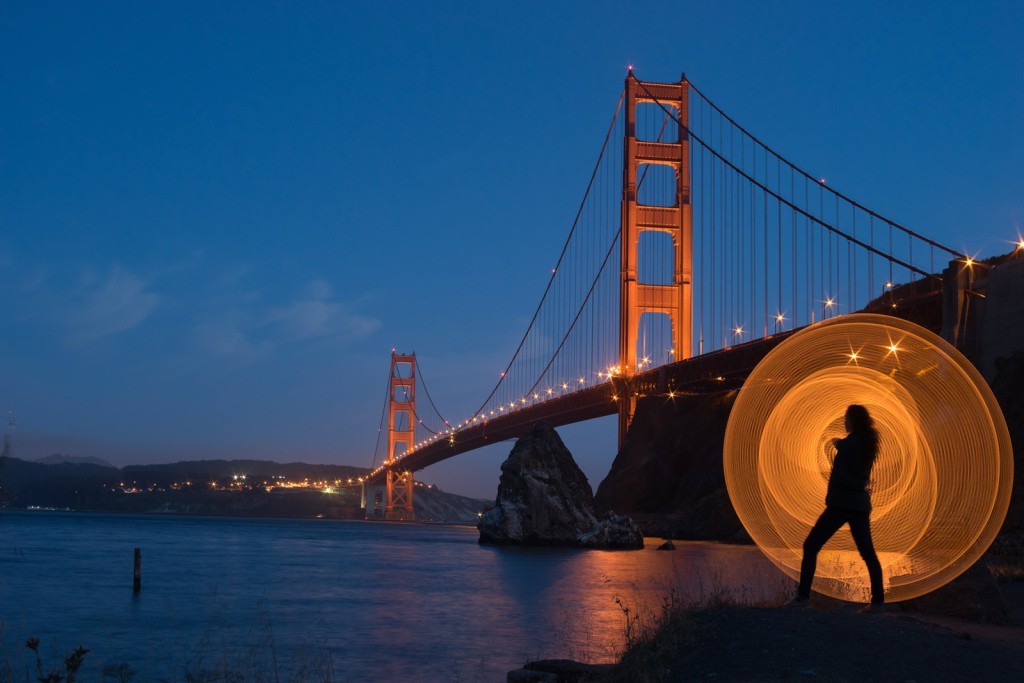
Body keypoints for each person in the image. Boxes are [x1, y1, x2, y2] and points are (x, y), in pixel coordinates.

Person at [792, 404, 885, 611]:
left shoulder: (850, 444)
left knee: (811, 545)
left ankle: (802, 599)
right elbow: (857, 469)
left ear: (853, 420)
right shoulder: (867, 443)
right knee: (868, 554)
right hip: (860, 505)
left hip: (842, 503)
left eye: (846, 418)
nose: (844, 421)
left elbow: (843, 475)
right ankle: (878, 602)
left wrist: (838, 448)